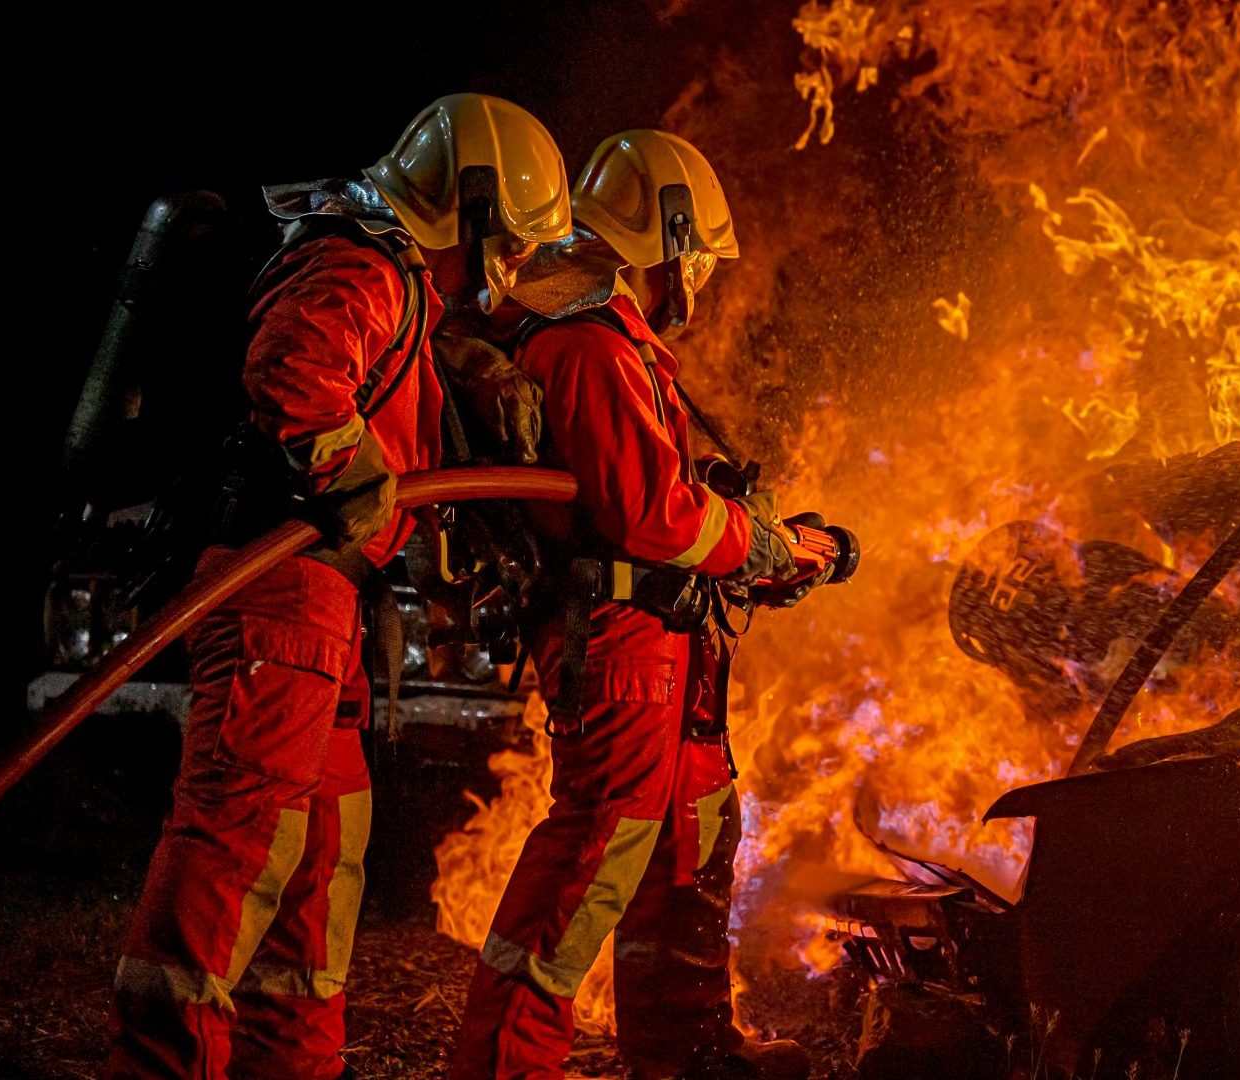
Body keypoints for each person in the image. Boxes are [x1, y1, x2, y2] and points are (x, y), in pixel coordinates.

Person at [107, 93, 571, 1080]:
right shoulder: (360, 263)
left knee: (320, 856)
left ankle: (294, 1067)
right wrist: (355, 471)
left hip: (326, 603)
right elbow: (294, 375)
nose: (516, 264)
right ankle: (160, 1066)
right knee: (235, 849)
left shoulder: (395, 280)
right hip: (281, 587)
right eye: (515, 240)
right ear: (471, 209)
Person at [450, 130, 821, 1080]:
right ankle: (505, 1067)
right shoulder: (586, 343)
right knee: (591, 861)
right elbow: (649, 515)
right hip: (619, 641)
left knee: (693, 833)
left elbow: (657, 501)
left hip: (664, 636)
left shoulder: (611, 338)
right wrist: (761, 544)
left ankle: (684, 1052)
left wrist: (753, 546)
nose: (700, 279)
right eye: (699, 258)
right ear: (672, 237)